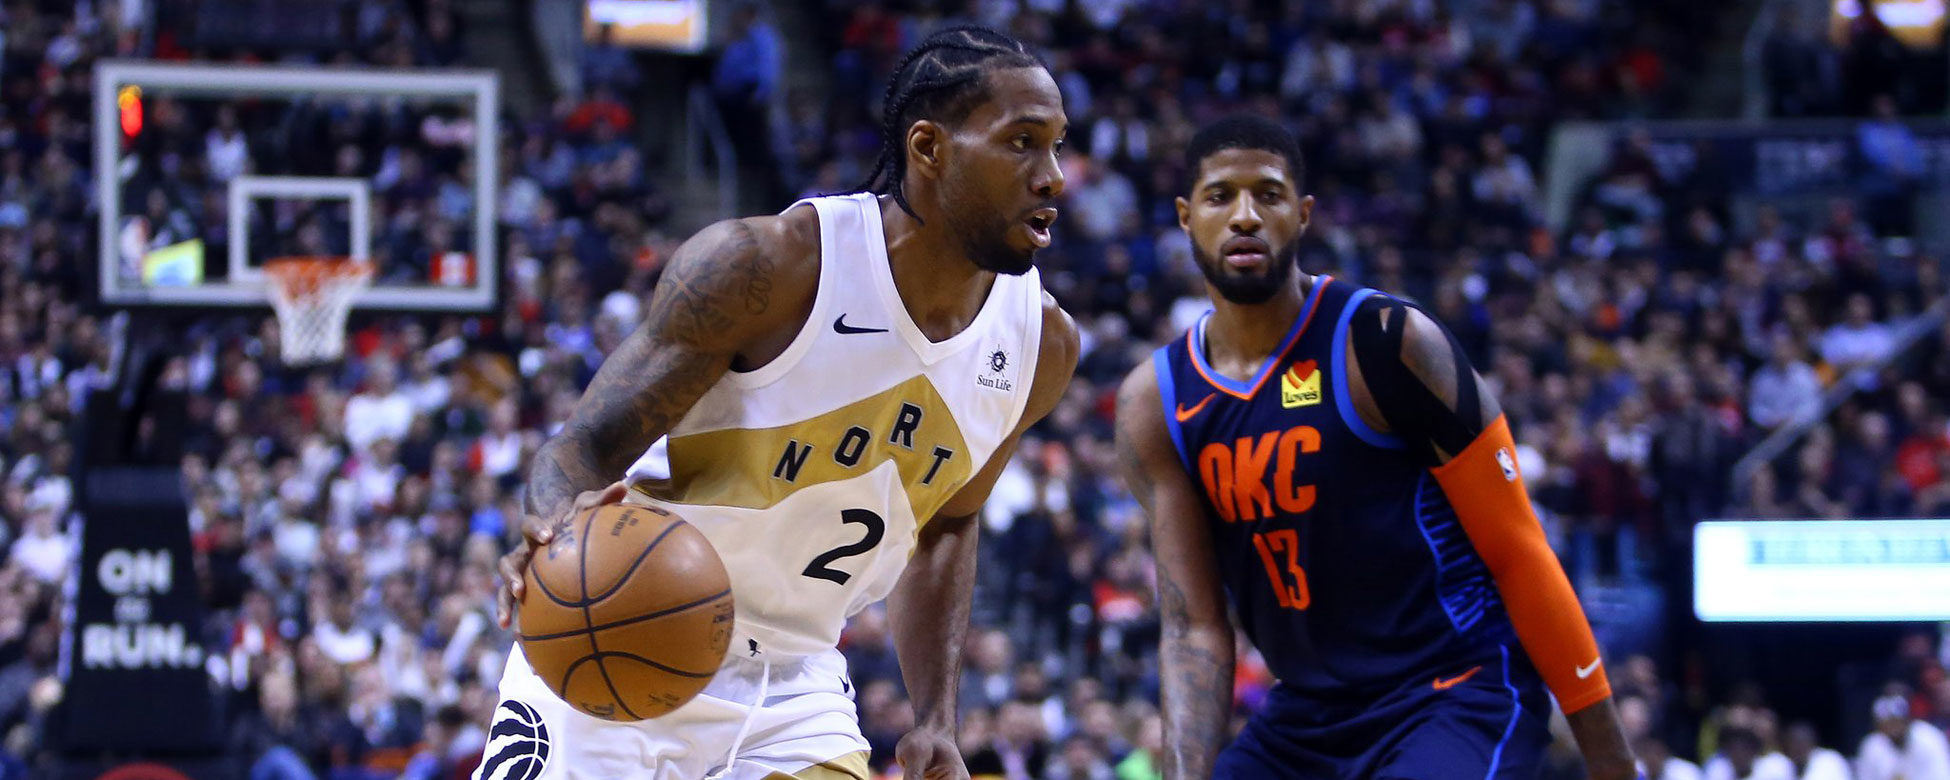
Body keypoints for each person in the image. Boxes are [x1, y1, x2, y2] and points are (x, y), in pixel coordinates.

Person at [483, 26, 1078, 780]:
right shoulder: (769, 268)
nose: (1054, 177)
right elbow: (583, 446)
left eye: (1057, 146)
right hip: (614, 638)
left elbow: (949, 523)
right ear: (929, 148)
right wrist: (552, 530)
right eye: (1022, 142)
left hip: (793, 687)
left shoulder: (1040, 345)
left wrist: (935, 716)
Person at [1112, 116, 1636, 779]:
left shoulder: (1387, 342)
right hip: (1306, 718)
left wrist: (1613, 763)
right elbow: (1194, 628)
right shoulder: (1155, 402)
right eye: (1220, 196)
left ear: (1303, 215)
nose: (1245, 215)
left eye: (1268, 194)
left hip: (1453, 691)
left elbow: (1519, 551)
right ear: (1186, 217)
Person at [1855, 694, 1950, 780]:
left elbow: (1942, 776)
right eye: (1887, 724)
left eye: (1896, 722)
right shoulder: (1872, 747)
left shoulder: (1928, 738)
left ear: (1907, 721)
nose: (1893, 729)